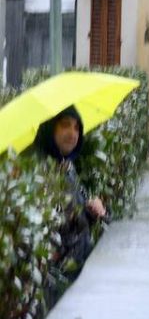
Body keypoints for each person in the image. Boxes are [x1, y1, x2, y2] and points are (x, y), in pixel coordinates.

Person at [33, 106, 106, 277]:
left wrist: (95, 210)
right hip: (57, 279)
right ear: (50, 128)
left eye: (76, 127)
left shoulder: (67, 166)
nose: (72, 134)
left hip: (78, 270)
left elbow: (79, 217)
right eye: (65, 125)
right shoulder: (38, 170)